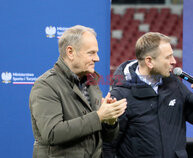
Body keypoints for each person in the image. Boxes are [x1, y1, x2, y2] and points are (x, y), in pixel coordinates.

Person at [103, 32, 193, 158]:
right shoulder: (121, 94)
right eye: (168, 57)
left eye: (172, 56)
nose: (173, 61)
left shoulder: (174, 83)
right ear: (149, 61)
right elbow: (108, 145)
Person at [29, 25, 127, 158]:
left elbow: (107, 138)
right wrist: (99, 116)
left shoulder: (91, 83)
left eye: (96, 53)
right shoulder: (46, 85)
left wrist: (109, 121)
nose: (97, 58)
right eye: (91, 53)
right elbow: (52, 133)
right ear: (70, 52)